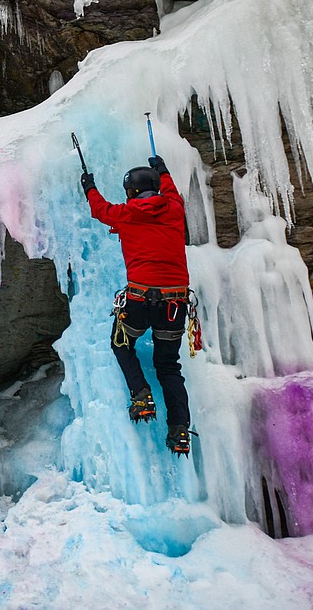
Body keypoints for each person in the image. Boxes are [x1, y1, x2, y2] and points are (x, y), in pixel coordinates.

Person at [81, 155, 194, 456]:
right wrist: (164, 169)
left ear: (131, 192)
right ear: (156, 188)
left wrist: (89, 185)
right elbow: (170, 190)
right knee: (169, 365)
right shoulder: (173, 208)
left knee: (121, 344)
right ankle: (180, 429)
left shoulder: (126, 214)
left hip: (141, 298)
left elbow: (99, 209)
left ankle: (141, 396)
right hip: (175, 302)